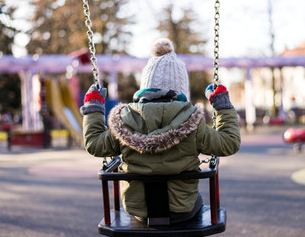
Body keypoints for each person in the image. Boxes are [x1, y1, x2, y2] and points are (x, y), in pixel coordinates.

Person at [80, 38, 240, 223]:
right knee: (197, 201)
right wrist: (222, 106)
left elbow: (94, 144)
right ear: (181, 89)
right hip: (183, 210)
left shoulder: (124, 120)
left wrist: (94, 108)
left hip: (138, 211)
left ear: (144, 87)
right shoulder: (194, 122)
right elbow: (229, 143)